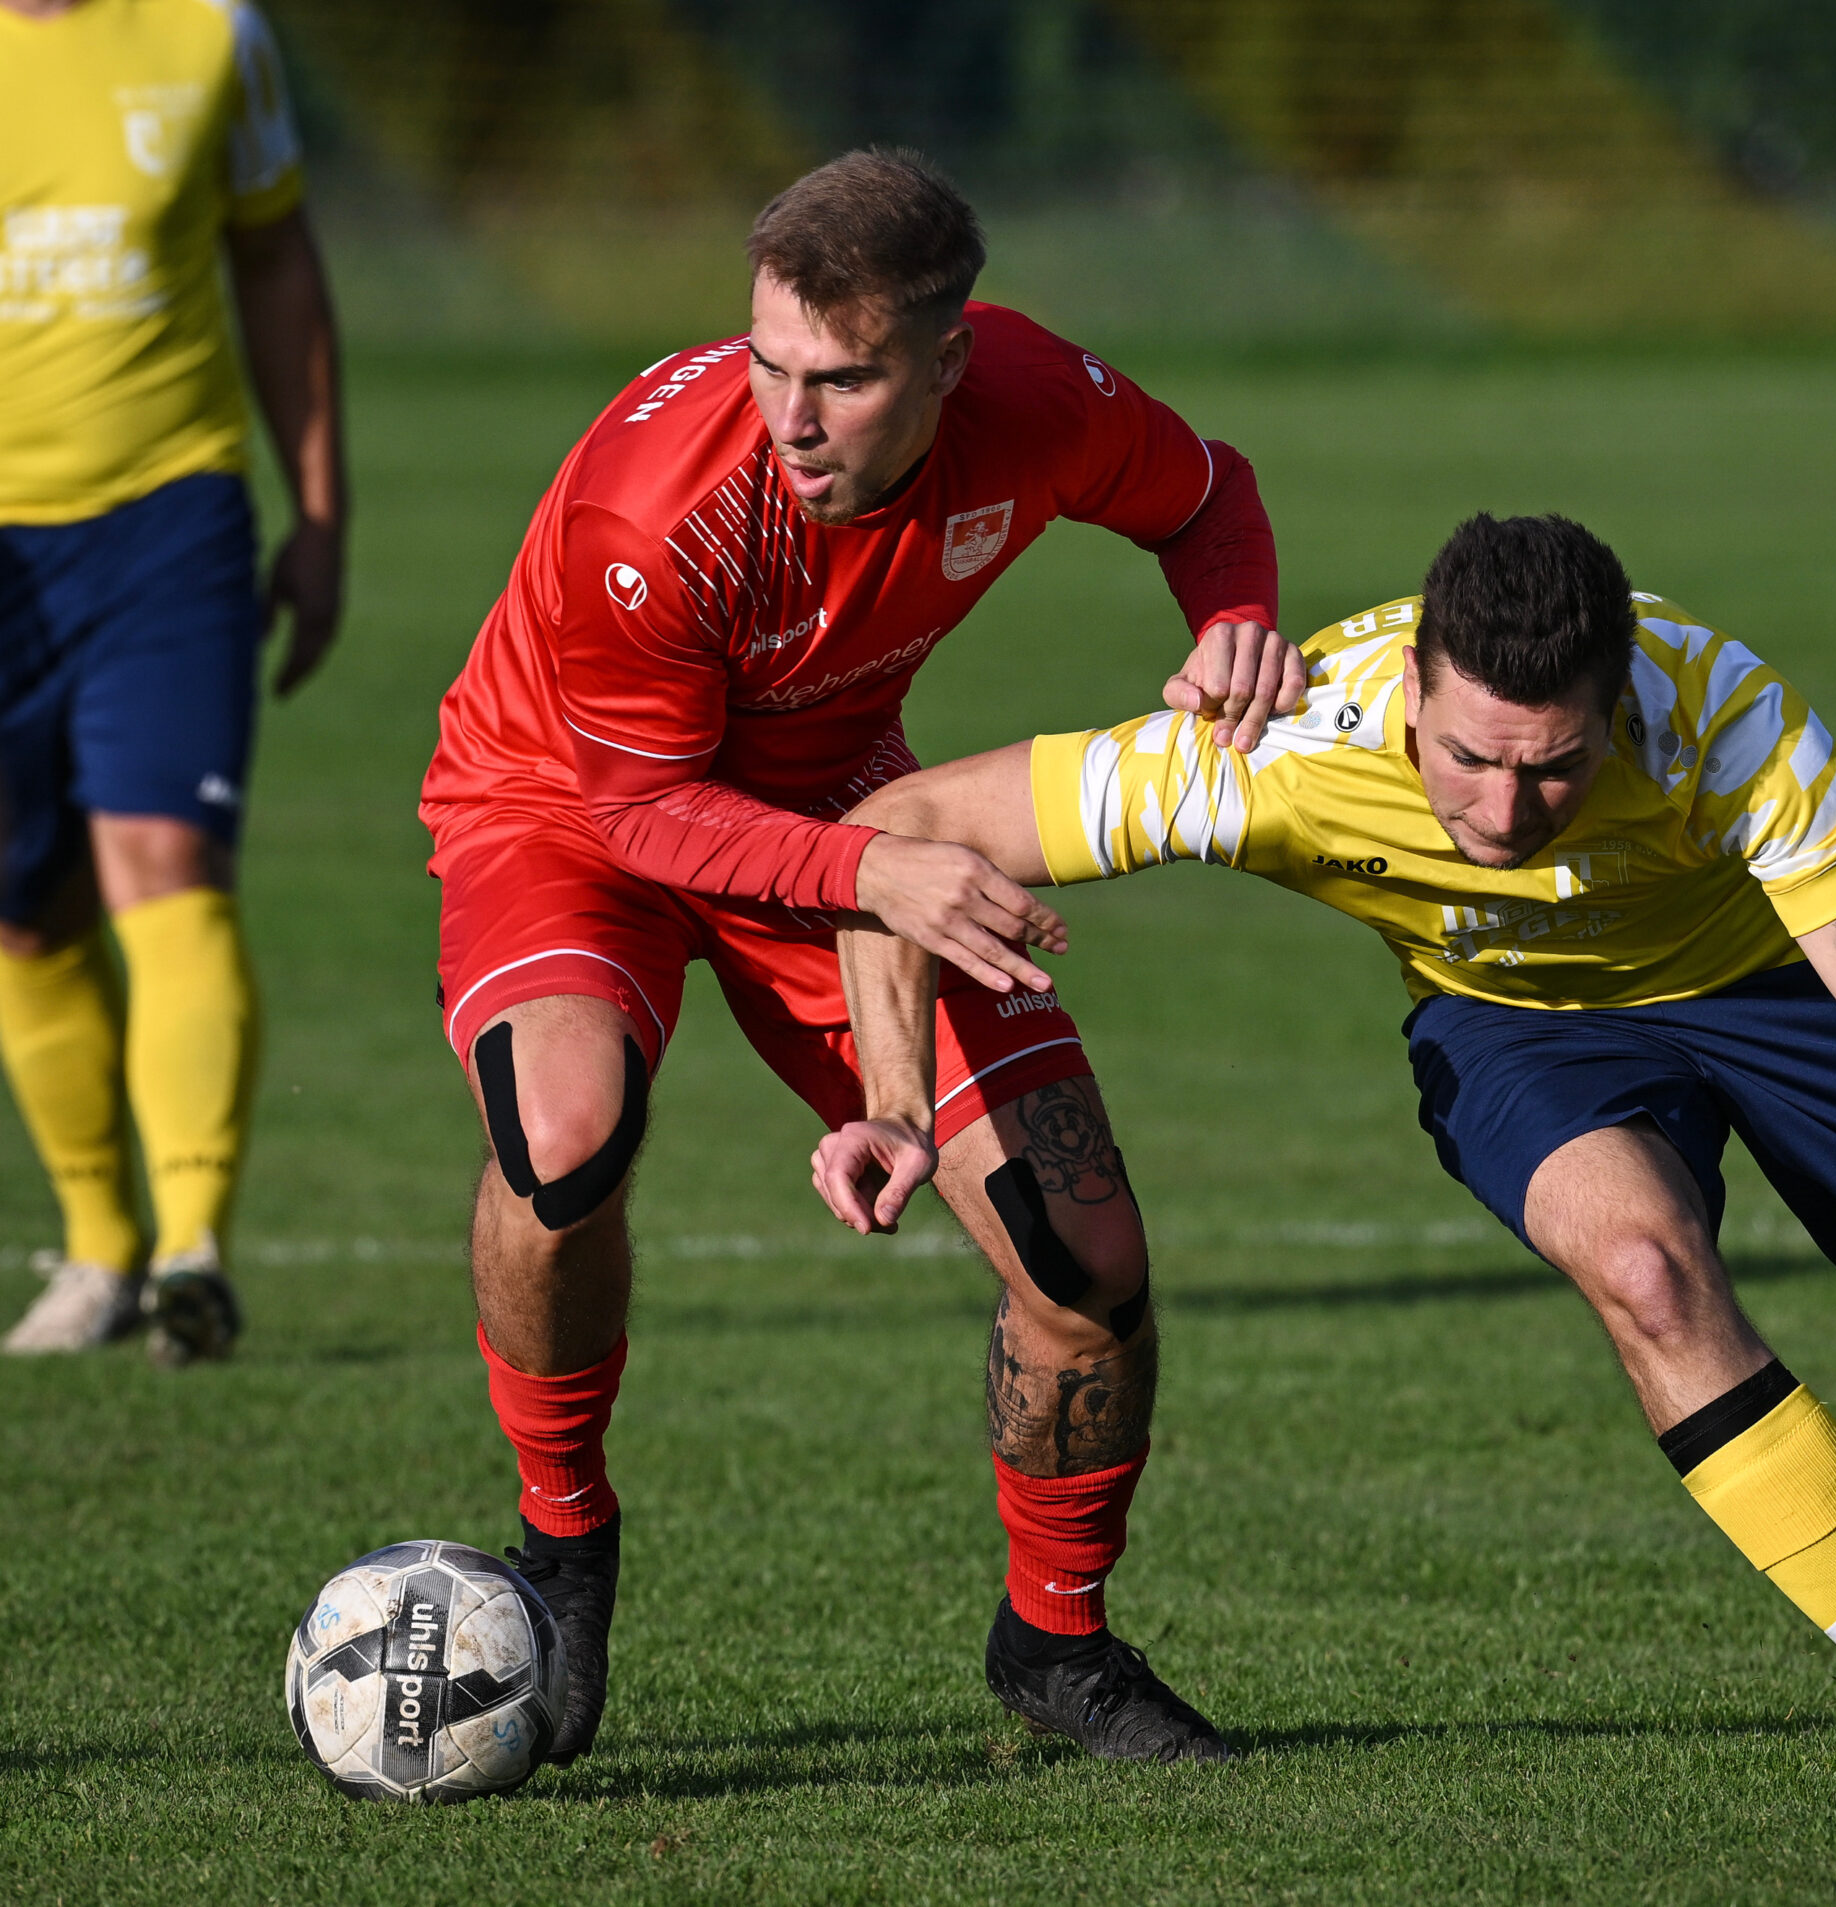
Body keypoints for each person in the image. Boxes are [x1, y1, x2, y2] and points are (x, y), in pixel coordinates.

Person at [819, 513, 1836, 1773]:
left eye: (1555, 765)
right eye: (1470, 757)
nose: (1505, 804)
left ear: (1620, 702)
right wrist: (890, 1100)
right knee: (1643, 1267)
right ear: (1411, 686)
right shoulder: (1277, 742)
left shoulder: (1729, 720)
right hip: (1516, 1020)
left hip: (1776, 990)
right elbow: (896, 826)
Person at [420, 147, 1298, 1768]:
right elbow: (643, 811)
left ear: (950, 361)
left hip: (841, 808)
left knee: (1083, 1248)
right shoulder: (660, 505)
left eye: (843, 376)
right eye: (768, 365)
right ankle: (563, 1542)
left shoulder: (1037, 399)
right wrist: (883, 868)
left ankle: (1057, 1641)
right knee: (561, 1140)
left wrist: (1231, 610)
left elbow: (1203, 494)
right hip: (568, 807)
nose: (793, 415)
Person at [0, 0, 345, 1364]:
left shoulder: (214, 34)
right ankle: (99, 1251)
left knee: (167, 850)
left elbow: (275, 264)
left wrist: (320, 514)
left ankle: (194, 1242)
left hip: (167, 515)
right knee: (26, 912)